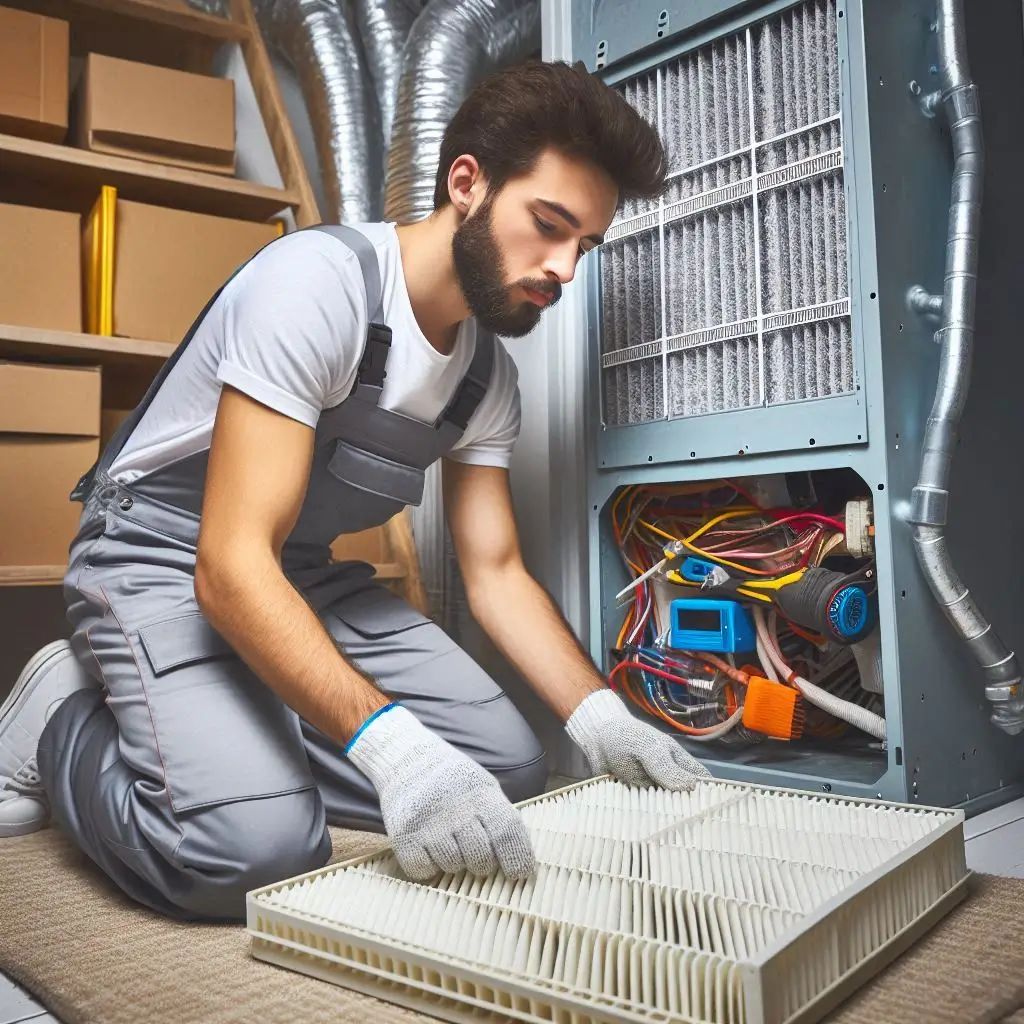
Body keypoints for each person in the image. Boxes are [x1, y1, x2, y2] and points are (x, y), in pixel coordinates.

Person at [0, 59, 711, 922]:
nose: (562, 267)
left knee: (509, 773)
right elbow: (227, 566)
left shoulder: (488, 380)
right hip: (162, 555)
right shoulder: (318, 286)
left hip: (294, 572)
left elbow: (494, 573)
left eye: (584, 246)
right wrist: (393, 749)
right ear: (467, 183)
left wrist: (600, 716)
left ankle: (238, 724)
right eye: (548, 225)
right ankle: (59, 719)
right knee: (249, 851)